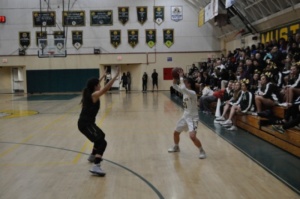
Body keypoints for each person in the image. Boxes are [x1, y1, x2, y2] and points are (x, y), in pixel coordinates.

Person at [78, 67, 120, 176]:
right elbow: (105, 89)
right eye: (98, 85)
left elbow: (97, 83)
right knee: (102, 142)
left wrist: (103, 75)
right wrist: (115, 77)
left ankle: (93, 156)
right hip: (86, 124)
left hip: (87, 123)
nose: (100, 85)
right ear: (95, 87)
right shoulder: (94, 95)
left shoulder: (89, 91)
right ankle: (96, 166)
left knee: (101, 135)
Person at [168, 69, 206, 159]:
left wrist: (181, 77)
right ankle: (176, 147)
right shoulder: (185, 92)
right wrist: (175, 77)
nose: (183, 83)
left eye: (185, 82)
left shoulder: (192, 93)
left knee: (192, 137)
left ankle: (202, 151)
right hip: (185, 116)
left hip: (193, 118)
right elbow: (174, 85)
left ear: (189, 84)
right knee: (176, 133)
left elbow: (183, 88)